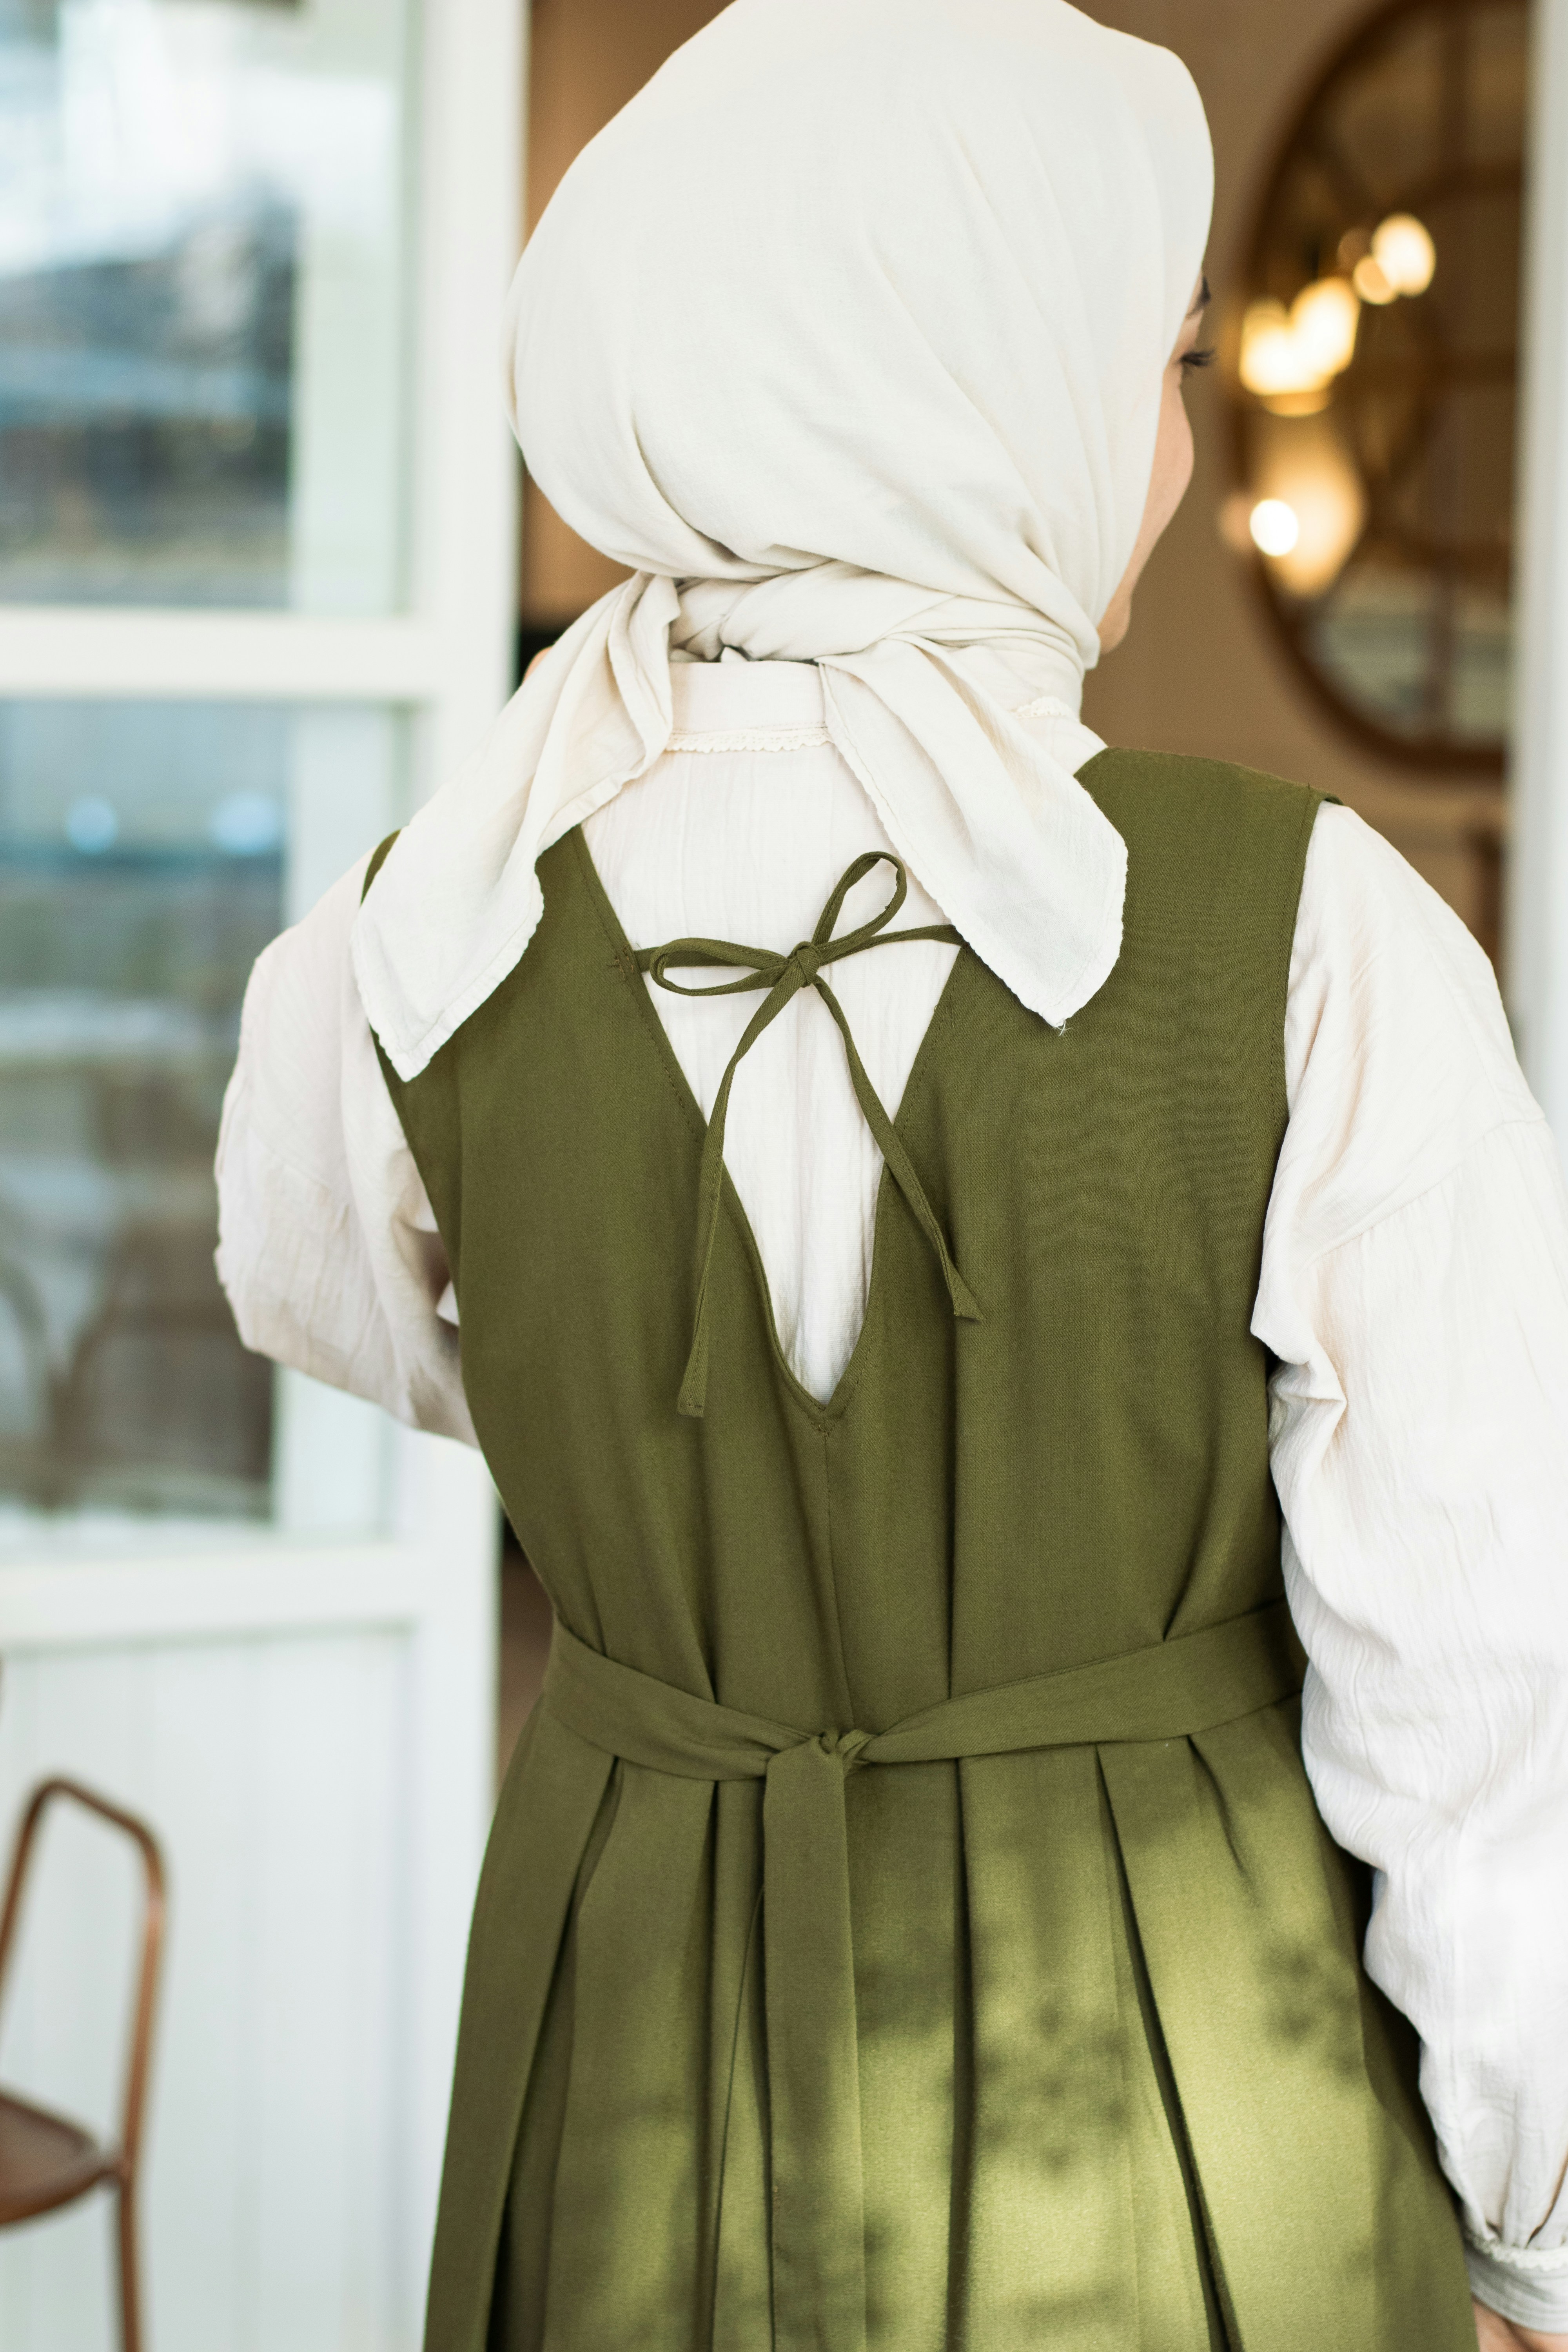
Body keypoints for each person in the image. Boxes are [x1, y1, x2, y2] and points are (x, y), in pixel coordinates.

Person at [215, 2, 1568, 2345]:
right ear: (960, 368)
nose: (1161, 464)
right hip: (1179, 2119)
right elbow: (1475, 1698)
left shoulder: (395, 949)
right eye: (1155, 364)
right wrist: (1540, 2232)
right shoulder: (1317, 933)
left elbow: (379, 1325)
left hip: (629, 2075)